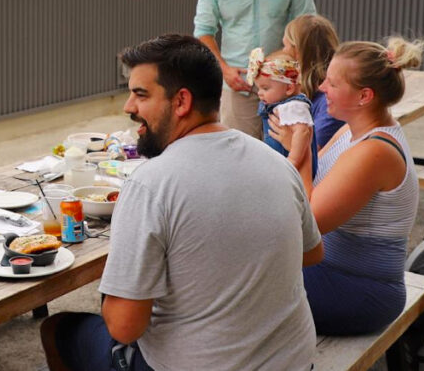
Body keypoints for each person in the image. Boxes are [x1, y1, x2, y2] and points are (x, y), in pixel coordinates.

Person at [41, 34, 323, 371]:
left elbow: (125, 326)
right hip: (295, 363)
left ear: (181, 102)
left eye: (140, 95)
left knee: (60, 329)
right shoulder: (276, 162)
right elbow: (312, 253)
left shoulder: (150, 184)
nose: (128, 107)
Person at [302, 37, 423, 335]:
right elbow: (309, 175)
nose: (321, 88)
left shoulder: (374, 151)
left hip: (360, 291)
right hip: (332, 273)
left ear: (364, 96)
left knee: (237, 285)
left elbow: (307, 223)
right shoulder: (352, 129)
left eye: (332, 83)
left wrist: (299, 149)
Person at [193, 0, 316, 139]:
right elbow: (203, 32)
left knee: (284, 153)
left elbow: (307, 25)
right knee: (239, 153)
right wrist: (224, 69)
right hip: (239, 85)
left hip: (285, 84)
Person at [248, 48, 316, 188]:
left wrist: (293, 161)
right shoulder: (280, 103)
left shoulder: (294, 106)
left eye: (265, 88)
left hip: (293, 167)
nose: (260, 94)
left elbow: (302, 132)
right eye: (259, 88)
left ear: (289, 88)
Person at [279, 13, 343, 150]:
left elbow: (312, 152)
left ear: (298, 52)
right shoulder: (305, 91)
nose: (282, 52)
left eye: (286, 46)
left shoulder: (329, 101)